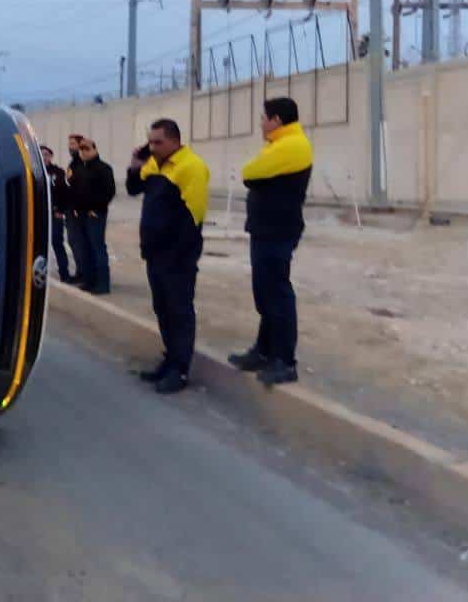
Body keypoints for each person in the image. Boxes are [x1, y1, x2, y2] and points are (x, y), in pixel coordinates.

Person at [230, 97, 313, 387]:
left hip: (278, 229)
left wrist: (257, 180)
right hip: (266, 228)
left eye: (264, 118)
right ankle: (264, 350)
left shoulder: (292, 144)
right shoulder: (279, 145)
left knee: (277, 293)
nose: (261, 123)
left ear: (277, 120)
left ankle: (285, 360)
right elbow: (256, 175)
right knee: (264, 293)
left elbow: (250, 172)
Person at [125, 119, 210, 394]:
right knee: (162, 308)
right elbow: (132, 189)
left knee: (179, 310)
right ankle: (170, 359)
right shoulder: (154, 165)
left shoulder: (191, 167)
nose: (153, 147)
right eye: (150, 142)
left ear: (174, 140)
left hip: (177, 256)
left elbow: (192, 217)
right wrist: (135, 164)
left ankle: (180, 370)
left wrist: (176, 255)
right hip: (155, 252)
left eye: (158, 142)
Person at [68, 138, 116, 294]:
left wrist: (96, 209)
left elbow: (109, 192)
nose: (83, 151)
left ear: (94, 149)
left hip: (95, 216)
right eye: (81, 149)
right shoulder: (80, 169)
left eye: (87, 148)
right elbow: (74, 189)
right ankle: (90, 281)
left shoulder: (104, 169)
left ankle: (102, 284)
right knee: (85, 249)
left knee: (97, 249)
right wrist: (75, 208)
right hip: (80, 215)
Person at [41, 145, 74, 283]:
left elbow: (66, 193)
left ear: (51, 156)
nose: (44, 156)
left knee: (57, 243)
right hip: (40, 214)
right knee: (39, 245)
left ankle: (64, 274)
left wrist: (61, 210)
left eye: (47, 154)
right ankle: (39, 273)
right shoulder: (32, 170)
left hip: (55, 214)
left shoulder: (58, 172)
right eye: (41, 154)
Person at [64, 134, 89, 284]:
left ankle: (85, 274)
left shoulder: (82, 164)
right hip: (70, 208)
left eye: (73, 144)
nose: (70, 147)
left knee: (80, 242)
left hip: (77, 210)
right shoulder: (73, 163)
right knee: (73, 242)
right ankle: (80, 272)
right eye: (69, 144)